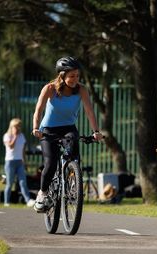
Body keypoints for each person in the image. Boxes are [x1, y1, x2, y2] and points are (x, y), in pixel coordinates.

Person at [31, 56, 103, 212]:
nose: (75, 79)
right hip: (48, 130)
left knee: (74, 157)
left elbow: (90, 112)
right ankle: (43, 193)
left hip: (68, 128)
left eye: (77, 76)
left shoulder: (81, 90)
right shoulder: (50, 89)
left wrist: (96, 131)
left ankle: (72, 182)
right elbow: (38, 110)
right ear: (62, 76)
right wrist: (36, 128)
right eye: (71, 76)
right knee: (50, 163)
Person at [3, 118, 35, 207]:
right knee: (9, 183)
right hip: (10, 162)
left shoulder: (22, 136)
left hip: (20, 162)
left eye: (19, 126)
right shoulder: (7, 136)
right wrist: (15, 136)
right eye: (16, 126)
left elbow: (23, 152)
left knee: (23, 182)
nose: (18, 128)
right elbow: (11, 146)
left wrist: (25, 162)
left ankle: (28, 200)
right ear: (12, 126)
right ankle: (6, 201)